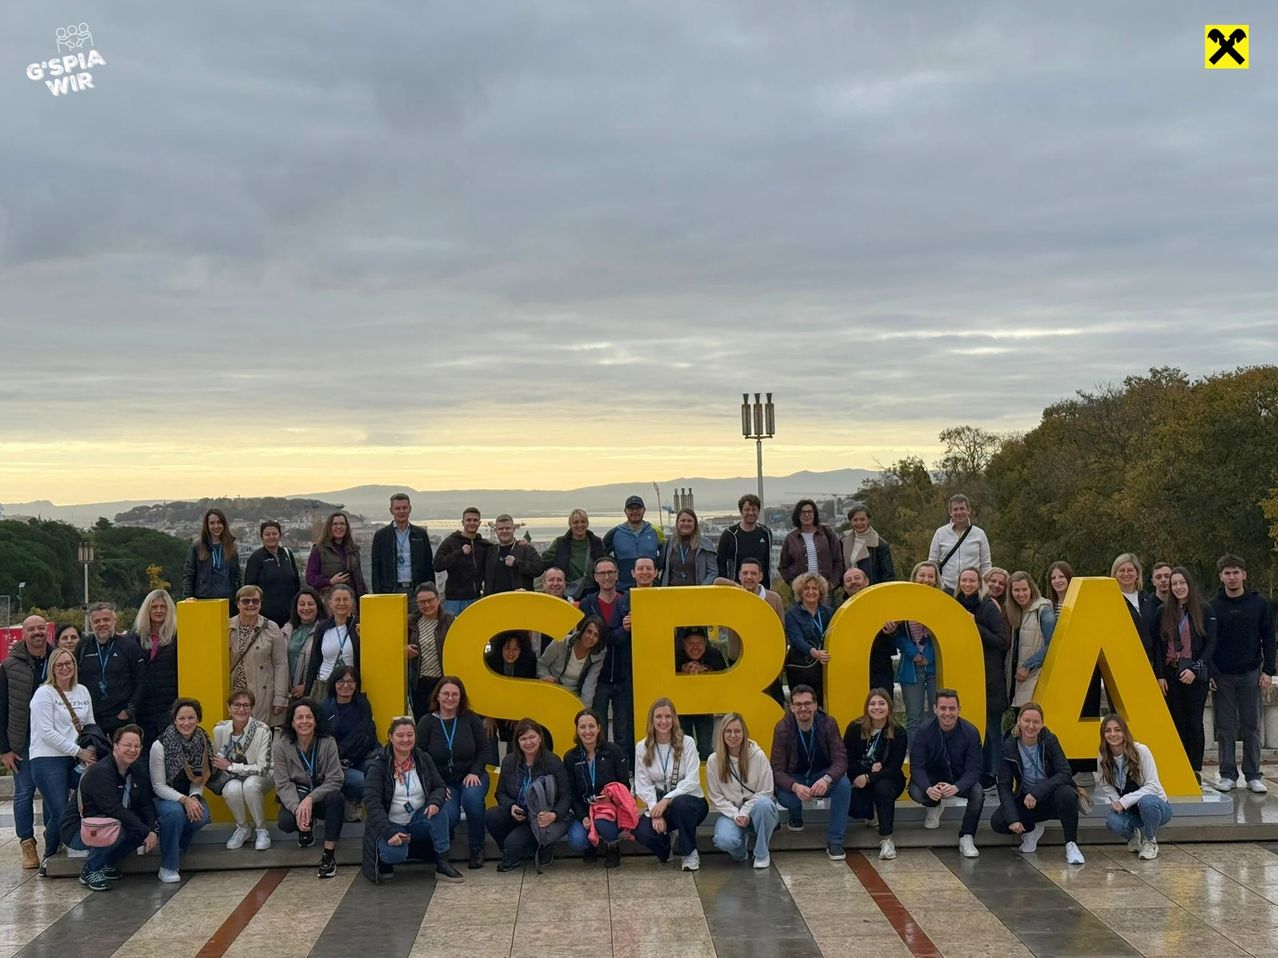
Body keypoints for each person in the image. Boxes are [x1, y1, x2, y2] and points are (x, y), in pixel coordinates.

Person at [362, 716, 462, 882]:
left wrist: (434, 802)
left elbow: (439, 786)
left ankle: (443, 863)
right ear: (390, 737)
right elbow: (372, 803)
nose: (405, 739)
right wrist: (389, 832)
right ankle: (387, 859)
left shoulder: (422, 758)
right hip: (391, 822)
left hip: (417, 818)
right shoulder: (378, 764)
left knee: (440, 813)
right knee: (393, 854)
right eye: (400, 735)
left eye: (410, 735)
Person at [1210, 554, 1275, 793]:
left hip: (1251, 673)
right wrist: (1210, 673)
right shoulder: (1213, 606)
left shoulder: (1259, 604)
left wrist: (1268, 670)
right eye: (1227, 573)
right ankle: (1227, 774)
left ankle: (1253, 774)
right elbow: (1208, 642)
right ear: (1221, 576)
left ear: (1244, 575)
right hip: (1222, 675)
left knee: (1252, 726)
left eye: (1236, 572)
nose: (1232, 577)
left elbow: (1269, 638)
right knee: (1225, 727)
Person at [990, 703, 1083, 863]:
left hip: (1051, 797)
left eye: (1036, 722)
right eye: (1027, 721)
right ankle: (1031, 830)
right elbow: (1004, 785)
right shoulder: (1009, 745)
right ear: (1019, 721)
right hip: (1027, 800)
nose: (1031, 726)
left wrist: (1037, 792)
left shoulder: (1049, 740)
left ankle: (1071, 844)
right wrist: (1012, 817)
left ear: (1042, 724)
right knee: (999, 821)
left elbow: (1065, 772)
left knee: (1067, 794)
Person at [416, 676, 492, 869]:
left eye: (455, 694)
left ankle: (477, 847)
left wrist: (475, 771)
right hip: (443, 783)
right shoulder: (427, 722)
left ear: (461, 697)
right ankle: (443, 847)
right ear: (438, 696)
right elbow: (420, 758)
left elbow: (484, 750)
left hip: (471, 776)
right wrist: (437, 786)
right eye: (446, 694)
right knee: (449, 815)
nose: (450, 698)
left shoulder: (470, 719)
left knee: (472, 800)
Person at [71, 725, 159, 892]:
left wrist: (152, 830)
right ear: (115, 745)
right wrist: (145, 830)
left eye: (137, 746)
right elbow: (113, 809)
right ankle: (91, 869)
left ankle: (105, 863)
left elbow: (145, 803)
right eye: (127, 745)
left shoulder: (138, 770)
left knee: (139, 830)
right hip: (83, 829)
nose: (132, 750)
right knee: (113, 827)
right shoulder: (101, 771)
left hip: (113, 822)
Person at [29, 646, 95, 866]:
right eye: (59, 665)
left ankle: (69, 845)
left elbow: (90, 724)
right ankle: (50, 857)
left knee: (81, 806)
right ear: (52, 668)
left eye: (68, 663)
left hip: (75, 757)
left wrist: (91, 749)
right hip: (47, 758)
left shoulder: (82, 691)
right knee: (60, 811)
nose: (65, 668)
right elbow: (46, 732)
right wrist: (79, 751)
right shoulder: (44, 693)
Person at [770, 684, 851, 860]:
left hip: (821, 775)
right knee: (786, 797)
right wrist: (795, 786)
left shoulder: (828, 723)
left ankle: (835, 841)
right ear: (791, 707)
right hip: (796, 778)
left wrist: (827, 779)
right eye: (798, 704)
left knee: (843, 785)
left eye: (807, 703)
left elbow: (841, 759)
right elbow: (777, 769)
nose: (803, 708)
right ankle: (795, 815)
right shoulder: (782, 728)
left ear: (815, 705)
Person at [486, 718, 572, 871]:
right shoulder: (508, 761)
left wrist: (554, 815)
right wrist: (511, 806)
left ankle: (537, 847)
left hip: (540, 817)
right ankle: (515, 852)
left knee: (513, 842)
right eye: (523, 739)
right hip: (519, 813)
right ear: (517, 742)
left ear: (540, 738)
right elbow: (500, 793)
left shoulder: (553, 762)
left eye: (532, 737)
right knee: (491, 816)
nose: (528, 742)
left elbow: (566, 795)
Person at [1, 613, 52, 869]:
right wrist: (4, 749)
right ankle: (27, 842)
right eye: (31, 629)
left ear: (46, 631)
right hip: (23, 740)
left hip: (52, 738)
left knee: (55, 791)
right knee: (24, 793)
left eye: (41, 628)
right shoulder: (9, 666)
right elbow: (1, 708)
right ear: (24, 634)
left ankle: (54, 839)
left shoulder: (59, 658)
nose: (37, 633)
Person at [273, 697, 345, 878]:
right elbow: (283, 784)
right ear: (292, 722)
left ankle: (328, 855)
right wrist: (298, 809)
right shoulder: (281, 747)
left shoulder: (328, 742)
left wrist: (310, 799)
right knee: (286, 822)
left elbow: (335, 779)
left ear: (316, 720)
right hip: (297, 794)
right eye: (299, 717)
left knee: (336, 798)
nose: (304, 721)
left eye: (309, 717)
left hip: (321, 795)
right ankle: (306, 826)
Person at [633, 699, 708, 871]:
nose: (663, 721)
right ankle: (665, 847)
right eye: (659, 716)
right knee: (641, 831)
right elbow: (643, 784)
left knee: (680, 804)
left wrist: (666, 800)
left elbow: (692, 780)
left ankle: (689, 853)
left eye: (668, 716)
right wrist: (655, 811)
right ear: (652, 719)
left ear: (674, 718)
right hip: (659, 803)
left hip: (690, 802)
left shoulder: (687, 742)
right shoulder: (642, 747)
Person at [908, 688, 983, 858]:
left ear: (959, 709)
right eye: (943, 708)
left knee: (977, 792)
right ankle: (933, 805)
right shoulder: (923, 731)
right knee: (916, 791)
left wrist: (957, 787)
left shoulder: (971, 732)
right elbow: (916, 766)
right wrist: (928, 788)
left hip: (958, 779)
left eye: (952, 708)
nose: (947, 713)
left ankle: (967, 836)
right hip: (932, 779)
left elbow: (974, 769)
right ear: (935, 709)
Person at [1157, 566, 1215, 780]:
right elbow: (1158, 646)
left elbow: (1211, 644)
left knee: (1194, 723)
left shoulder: (1204, 609)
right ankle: (1178, 766)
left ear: (1189, 584)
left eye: (1182, 583)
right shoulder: (1163, 611)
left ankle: (1194, 769)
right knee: (1176, 722)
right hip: (1171, 673)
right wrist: (1160, 675)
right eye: (1174, 584)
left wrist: (1195, 669)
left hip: (1195, 674)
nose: (1178, 587)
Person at [955, 567, 1010, 790]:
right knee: (970, 729)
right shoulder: (953, 604)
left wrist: (974, 624)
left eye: (972, 580)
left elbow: (1002, 641)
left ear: (979, 583)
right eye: (964, 580)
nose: (968, 584)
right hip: (964, 676)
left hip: (989, 678)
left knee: (992, 728)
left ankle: (995, 772)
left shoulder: (987, 606)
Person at [150, 698, 213, 882]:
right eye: (181, 718)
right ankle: (168, 866)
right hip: (164, 796)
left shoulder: (203, 741)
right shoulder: (160, 745)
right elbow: (158, 786)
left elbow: (199, 779)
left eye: (191, 718)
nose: (186, 723)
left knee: (201, 815)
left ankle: (176, 845)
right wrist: (185, 800)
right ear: (174, 720)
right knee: (175, 814)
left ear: (198, 719)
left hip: (189, 794)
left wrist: (194, 797)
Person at [580, 557, 635, 762]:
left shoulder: (628, 601)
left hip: (624, 675)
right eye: (602, 573)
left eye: (610, 572)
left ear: (617, 574)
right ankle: (601, 767)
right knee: (597, 728)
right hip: (598, 677)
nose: (606, 577)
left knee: (624, 731)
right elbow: (595, 639)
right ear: (595, 577)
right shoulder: (587, 604)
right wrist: (622, 630)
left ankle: (623, 768)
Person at [562, 707, 631, 868]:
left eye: (591, 726)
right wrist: (582, 816)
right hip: (584, 809)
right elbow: (570, 792)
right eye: (583, 727)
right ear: (577, 730)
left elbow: (625, 785)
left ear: (599, 728)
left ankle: (613, 846)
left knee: (602, 822)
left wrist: (611, 798)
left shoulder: (613, 751)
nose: (587, 731)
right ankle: (590, 846)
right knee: (576, 840)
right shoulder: (570, 757)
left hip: (609, 809)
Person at [1098, 713, 1173, 860]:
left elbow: (1152, 786)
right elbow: (1105, 783)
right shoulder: (1103, 754)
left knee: (1148, 802)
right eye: (1108, 730)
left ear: (1125, 732)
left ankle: (1150, 841)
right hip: (1130, 809)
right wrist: (1116, 802)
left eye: (1117, 730)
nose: (1113, 734)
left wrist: (1124, 801)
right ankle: (1132, 836)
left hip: (1156, 807)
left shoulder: (1141, 750)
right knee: (1113, 822)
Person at [707, 712, 778, 869]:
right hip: (732, 813)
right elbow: (716, 796)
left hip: (756, 811)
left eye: (737, 731)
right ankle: (740, 852)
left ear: (744, 733)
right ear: (722, 734)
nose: (733, 735)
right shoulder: (714, 761)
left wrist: (745, 811)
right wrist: (735, 814)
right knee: (724, 840)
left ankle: (762, 853)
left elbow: (766, 790)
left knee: (765, 804)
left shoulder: (758, 756)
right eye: (728, 731)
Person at [843, 688, 907, 861]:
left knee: (883, 789)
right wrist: (864, 773)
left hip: (888, 779)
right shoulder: (854, 728)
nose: (877, 707)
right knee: (856, 808)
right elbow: (846, 759)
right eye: (872, 703)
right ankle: (870, 812)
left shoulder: (898, 732)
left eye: (881, 703)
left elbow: (893, 767)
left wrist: (869, 777)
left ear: (889, 707)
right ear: (866, 707)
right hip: (858, 777)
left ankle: (887, 839)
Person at [213, 689, 273, 851]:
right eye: (236, 705)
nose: (241, 709)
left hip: (261, 776)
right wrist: (226, 767)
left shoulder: (262, 730)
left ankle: (262, 829)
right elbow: (219, 761)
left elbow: (262, 768)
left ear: (252, 708)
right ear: (229, 708)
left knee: (250, 785)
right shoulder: (220, 730)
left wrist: (231, 766)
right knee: (231, 789)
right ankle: (243, 828)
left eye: (246, 705)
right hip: (232, 776)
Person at [76, 603, 146, 737]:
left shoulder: (129, 646)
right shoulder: (83, 646)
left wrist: (129, 710)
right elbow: (76, 679)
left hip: (121, 717)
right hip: (91, 718)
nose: (102, 624)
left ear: (114, 620)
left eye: (106, 619)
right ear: (91, 624)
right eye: (97, 621)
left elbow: (141, 681)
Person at [228, 585, 289, 727]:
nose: (251, 605)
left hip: (261, 693)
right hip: (233, 693)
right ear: (238, 604)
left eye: (255, 601)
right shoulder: (226, 626)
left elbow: (280, 663)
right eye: (245, 601)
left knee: (259, 733)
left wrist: (280, 698)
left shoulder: (271, 627)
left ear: (261, 603)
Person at [321, 665, 379, 812]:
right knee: (364, 782)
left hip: (360, 759)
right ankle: (350, 800)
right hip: (336, 764)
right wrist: (335, 761)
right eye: (341, 681)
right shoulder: (325, 708)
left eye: (350, 681)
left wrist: (381, 754)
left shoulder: (362, 704)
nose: (346, 686)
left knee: (380, 773)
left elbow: (371, 733)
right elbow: (320, 743)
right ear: (333, 683)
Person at [835, 567, 898, 696]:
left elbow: (896, 637)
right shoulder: (839, 612)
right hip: (852, 671)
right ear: (844, 587)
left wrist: (892, 631)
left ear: (867, 581)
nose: (853, 582)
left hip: (880, 668)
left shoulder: (883, 604)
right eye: (848, 580)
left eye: (857, 578)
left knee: (884, 702)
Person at [898, 561, 944, 731]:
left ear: (936, 580)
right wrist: (914, 654)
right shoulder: (903, 602)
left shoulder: (943, 603)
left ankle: (936, 748)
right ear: (915, 577)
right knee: (914, 718)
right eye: (922, 575)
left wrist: (928, 657)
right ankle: (914, 749)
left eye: (930, 576)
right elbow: (897, 635)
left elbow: (945, 635)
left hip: (935, 668)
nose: (926, 579)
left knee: (937, 716)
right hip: (912, 667)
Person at [129, 590, 179, 746]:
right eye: (154, 607)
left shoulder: (178, 636)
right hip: (143, 708)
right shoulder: (134, 638)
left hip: (169, 706)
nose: (159, 610)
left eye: (163, 607)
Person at [1005, 572, 1056, 709]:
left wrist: (1027, 666)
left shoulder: (1043, 611)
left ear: (1031, 589)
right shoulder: (1015, 611)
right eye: (1016, 590)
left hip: (1034, 676)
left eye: (1024, 589)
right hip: (1018, 677)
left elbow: (1051, 644)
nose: (1021, 594)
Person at [370, 493, 436, 597]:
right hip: (391, 591)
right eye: (397, 508)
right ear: (391, 510)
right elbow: (376, 568)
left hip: (417, 591)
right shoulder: (381, 535)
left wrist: (431, 590)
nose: (401, 511)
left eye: (404, 508)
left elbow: (428, 565)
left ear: (410, 509)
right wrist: (378, 594)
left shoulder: (420, 534)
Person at [675, 629, 728, 759]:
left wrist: (706, 669)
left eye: (699, 643)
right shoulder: (675, 655)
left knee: (705, 747)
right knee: (683, 747)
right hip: (681, 708)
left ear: (705, 643)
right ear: (683, 643)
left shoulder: (714, 654)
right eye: (690, 643)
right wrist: (681, 670)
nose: (695, 647)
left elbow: (726, 677)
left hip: (705, 707)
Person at [405, 583, 455, 720]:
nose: (427, 605)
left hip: (442, 682)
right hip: (419, 683)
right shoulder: (410, 622)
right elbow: (394, 643)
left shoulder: (449, 620)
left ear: (438, 599)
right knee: (422, 721)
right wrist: (404, 650)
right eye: (422, 602)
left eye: (430, 600)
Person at [784, 572, 834, 706]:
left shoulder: (829, 612)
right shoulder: (791, 614)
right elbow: (796, 639)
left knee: (822, 704)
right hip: (800, 668)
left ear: (820, 591)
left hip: (823, 667)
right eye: (806, 588)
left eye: (815, 588)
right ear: (800, 591)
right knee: (802, 703)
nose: (811, 592)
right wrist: (814, 652)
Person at [304, 584, 360, 700]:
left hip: (349, 687)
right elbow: (314, 660)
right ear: (330, 603)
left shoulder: (359, 626)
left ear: (352, 602)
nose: (341, 603)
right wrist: (307, 692)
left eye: (345, 599)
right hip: (325, 685)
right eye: (337, 600)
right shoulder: (322, 627)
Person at [927, 494, 992, 593]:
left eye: (962, 509)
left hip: (972, 591)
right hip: (946, 589)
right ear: (950, 512)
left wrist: (982, 587)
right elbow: (932, 562)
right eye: (955, 509)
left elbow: (986, 565)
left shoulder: (979, 534)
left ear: (968, 510)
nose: (959, 512)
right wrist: (939, 584)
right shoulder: (940, 533)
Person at [243, 520, 301, 627]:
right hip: (266, 618)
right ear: (261, 537)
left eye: (274, 533)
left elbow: (296, 583)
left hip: (290, 616)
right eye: (267, 534)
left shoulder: (288, 554)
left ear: (280, 535)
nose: (271, 537)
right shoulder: (256, 558)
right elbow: (249, 589)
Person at [538, 616, 606, 705]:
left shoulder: (598, 655)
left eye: (596, 635)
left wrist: (584, 710)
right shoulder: (561, 642)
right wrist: (546, 677)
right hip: (553, 690)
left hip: (575, 697)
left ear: (598, 640)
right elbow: (542, 664)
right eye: (589, 631)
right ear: (582, 631)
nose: (590, 637)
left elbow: (589, 686)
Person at [182, 507, 241, 609]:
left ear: (224, 524)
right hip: (204, 600)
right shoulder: (197, 547)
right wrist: (188, 596)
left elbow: (237, 575)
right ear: (207, 525)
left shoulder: (231, 546)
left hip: (229, 601)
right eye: (212, 523)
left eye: (219, 522)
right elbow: (189, 574)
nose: (216, 526)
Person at [541, 510, 607, 599]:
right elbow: (542, 563)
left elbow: (606, 563)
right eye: (576, 522)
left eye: (583, 522)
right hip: (568, 593)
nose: (580, 525)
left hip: (594, 592)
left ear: (587, 523)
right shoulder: (560, 543)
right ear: (570, 524)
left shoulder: (596, 543)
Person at [434, 507, 488, 615]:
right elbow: (437, 565)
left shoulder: (483, 544)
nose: (472, 523)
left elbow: (500, 550)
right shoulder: (450, 542)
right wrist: (459, 552)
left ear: (479, 523)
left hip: (475, 598)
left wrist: (520, 544)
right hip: (453, 600)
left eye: (475, 520)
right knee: (451, 626)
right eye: (468, 520)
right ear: (463, 522)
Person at [604, 495, 665, 590]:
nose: (635, 512)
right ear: (625, 511)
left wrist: (655, 567)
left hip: (651, 585)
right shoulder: (614, 533)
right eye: (631, 509)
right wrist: (615, 569)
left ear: (644, 510)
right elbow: (602, 555)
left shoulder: (656, 531)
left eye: (638, 508)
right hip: (623, 587)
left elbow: (665, 555)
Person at [779, 499, 842, 587]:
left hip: (825, 588)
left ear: (815, 514)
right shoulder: (790, 538)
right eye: (803, 512)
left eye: (810, 512)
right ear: (798, 515)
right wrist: (794, 584)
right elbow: (783, 567)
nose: (806, 515)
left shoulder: (827, 533)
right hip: (801, 590)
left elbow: (838, 561)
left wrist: (832, 583)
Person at [716, 493, 774, 588]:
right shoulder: (730, 534)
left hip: (760, 588)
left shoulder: (765, 533)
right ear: (741, 512)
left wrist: (768, 588)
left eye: (754, 510)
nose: (750, 513)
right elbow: (721, 563)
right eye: (747, 510)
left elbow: (767, 562)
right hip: (736, 587)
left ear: (758, 511)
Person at [306, 511, 368, 598]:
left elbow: (359, 579)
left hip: (351, 600)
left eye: (342, 524)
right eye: (335, 524)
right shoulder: (319, 550)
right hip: (329, 599)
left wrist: (365, 597)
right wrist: (330, 581)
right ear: (329, 527)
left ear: (346, 527)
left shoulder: (353, 550)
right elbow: (310, 577)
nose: (339, 527)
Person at [483, 514, 546, 594]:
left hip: (520, 599)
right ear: (496, 531)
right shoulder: (490, 551)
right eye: (500, 529)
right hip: (494, 600)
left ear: (514, 529)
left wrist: (517, 562)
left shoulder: (526, 549)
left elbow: (539, 568)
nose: (504, 531)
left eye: (508, 528)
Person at [284, 587, 325, 700]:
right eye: (302, 604)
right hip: (287, 693)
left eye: (310, 604)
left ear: (318, 606)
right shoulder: (286, 630)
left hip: (312, 693)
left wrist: (307, 685)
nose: (306, 608)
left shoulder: (325, 631)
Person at [658, 509, 717, 586]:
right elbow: (659, 567)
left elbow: (713, 572)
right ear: (677, 523)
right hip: (672, 590)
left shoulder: (705, 544)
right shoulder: (669, 543)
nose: (686, 523)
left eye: (689, 521)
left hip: (696, 591)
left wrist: (702, 589)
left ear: (695, 524)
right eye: (683, 520)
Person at [840, 502, 895, 585]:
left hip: (871, 589)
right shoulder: (843, 541)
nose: (859, 523)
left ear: (868, 520)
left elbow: (888, 576)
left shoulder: (880, 545)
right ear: (850, 521)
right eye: (855, 520)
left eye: (862, 519)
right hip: (850, 588)